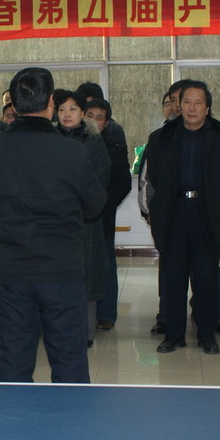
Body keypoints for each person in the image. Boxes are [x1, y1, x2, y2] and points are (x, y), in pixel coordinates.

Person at [0, 67, 106, 382]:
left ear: (13, 104)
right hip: (61, 271)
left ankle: (14, 415)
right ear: (50, 103)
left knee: (14, 360)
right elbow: (95, 204)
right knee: (69, 361)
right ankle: (70, 414)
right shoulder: (71, 151)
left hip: (11, 271)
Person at [141, 80, 220, 355]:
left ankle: (207, 335)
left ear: (207, 108)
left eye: (198, 102)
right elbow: (149, 179)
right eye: (186, 102)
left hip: (206, 213)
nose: (191, 107)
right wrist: (151, 211)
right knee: (173, 277)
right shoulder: (160, 137)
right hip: (173, 213)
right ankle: (173, 335)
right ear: (179, 105)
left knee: (207, 277)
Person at [55, 90, 110, 346]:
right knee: (56, 278)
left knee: (86, 276)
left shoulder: (94, 141)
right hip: (54, 220)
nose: (67, 114)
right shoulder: (49, 139)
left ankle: (86, 332)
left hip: (86, 219)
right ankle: (57, 330)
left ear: (83, 113)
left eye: (73, 109)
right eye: (62, 109)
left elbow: (101, 179)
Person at [85, 97, 132, 331]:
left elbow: (123, 183)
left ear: (106, 122)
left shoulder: (114, 145)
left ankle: (106, 314)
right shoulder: (71, 141)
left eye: (99, 118)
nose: (94, 121)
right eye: (90, 116)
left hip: (102, 215)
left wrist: (101, 203)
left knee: (105, 264)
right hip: (76, 217)